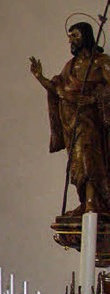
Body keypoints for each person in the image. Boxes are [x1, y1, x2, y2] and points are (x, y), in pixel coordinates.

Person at [30, 21, 110, 215]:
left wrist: (93, 98)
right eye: (69, 36)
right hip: (71, 123)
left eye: (74, 35)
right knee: (77, 163)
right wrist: (40, 77)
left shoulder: (101, 61)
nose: (70, 40)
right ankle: (86, 202)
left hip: (91, 122)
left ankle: (93, 203)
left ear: (86, 36)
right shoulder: (71, 66)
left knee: (90, 160)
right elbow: (59, 91)